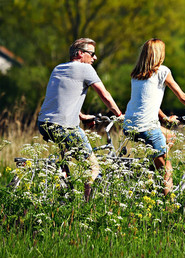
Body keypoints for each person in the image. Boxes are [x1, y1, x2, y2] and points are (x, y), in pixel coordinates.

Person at [123, 38, 185, 196]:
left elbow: (147, 101)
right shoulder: (162, 71)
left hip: (130, 124)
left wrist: (165, 118)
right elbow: (182, 96)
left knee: (170, 135)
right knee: (168, 170)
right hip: (147, 126)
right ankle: (168, 208)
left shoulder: (136, 74)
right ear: (159, 55)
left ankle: (152, 170)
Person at [37, 38, 123, 201]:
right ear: (80, 54)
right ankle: (86, 206)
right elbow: (104, 95)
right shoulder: (85, 69)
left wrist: (82, 116)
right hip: (64, 126)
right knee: (93, 166)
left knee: (64, 160)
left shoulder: (58, 68)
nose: (95, 58)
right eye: (91, 54)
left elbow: (61, 99)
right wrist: (119, 115)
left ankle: (62, 195)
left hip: (44, 123)